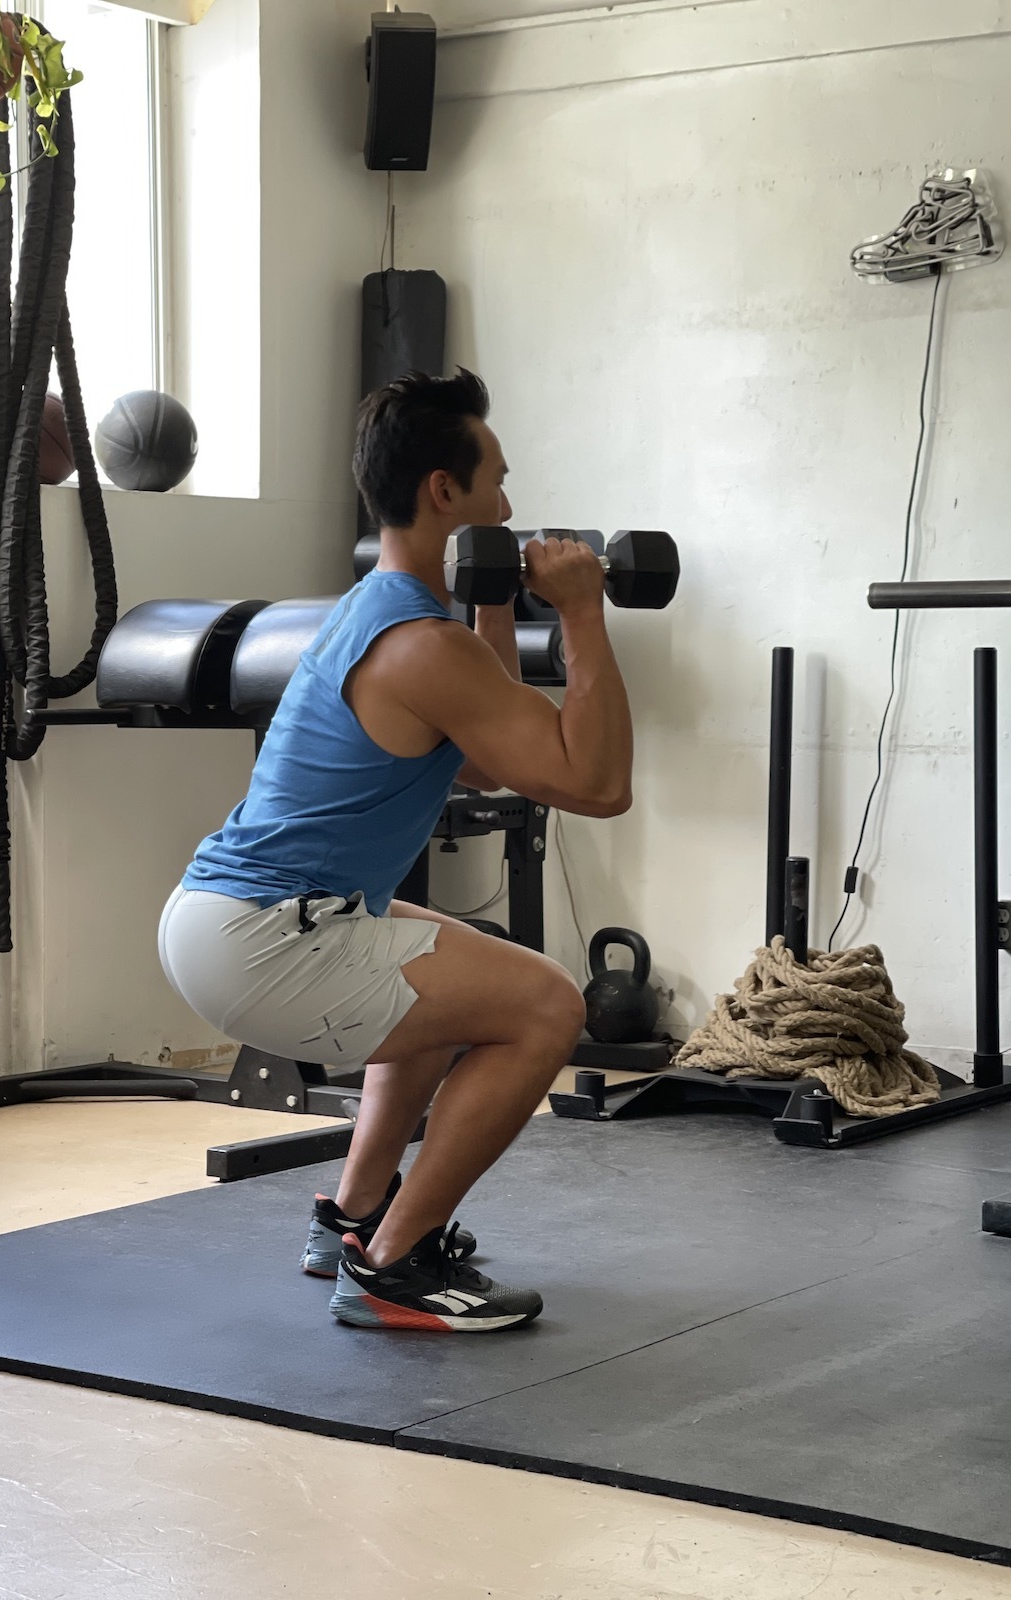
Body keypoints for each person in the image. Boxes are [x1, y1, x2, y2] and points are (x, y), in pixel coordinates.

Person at [158, 370, 633, 1333]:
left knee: (466, 972)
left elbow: (486, 766)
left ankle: (355, 1212)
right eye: (496, 478)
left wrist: (494, 603)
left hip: (228, 919)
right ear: (443, 493)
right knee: (547, 1006)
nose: (509, 497)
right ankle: (395, 1265)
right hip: (270, 938)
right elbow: (596, 784)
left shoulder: (377, 611)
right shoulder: (422, 644)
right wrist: (582, 613)